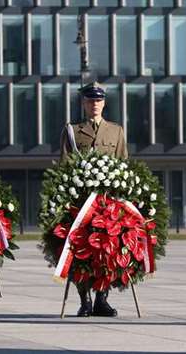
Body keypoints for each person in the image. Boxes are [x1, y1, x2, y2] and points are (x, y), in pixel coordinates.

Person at [60, 82, 127, 317]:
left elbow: (122, 165)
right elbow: (64, 166)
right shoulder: (73, 131)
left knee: (107, 251)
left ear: (104, 103)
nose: (94, 104)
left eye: (98, 101)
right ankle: (84, 300)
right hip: (81, 203)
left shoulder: (116, 131)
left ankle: (102, 299)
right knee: (82, 251)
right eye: (90, 101)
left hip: (107, 203)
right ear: (84, 104)